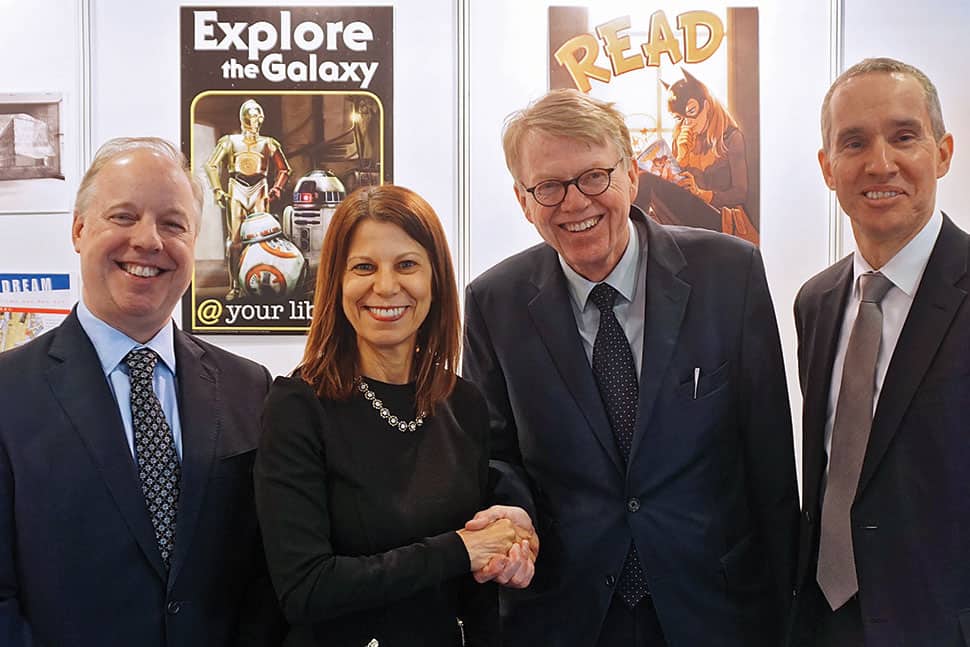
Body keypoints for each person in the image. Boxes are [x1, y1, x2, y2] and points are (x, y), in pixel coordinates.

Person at [462, 88, 798, 646]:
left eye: (594, 176)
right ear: (523, 200)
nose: (574, 202)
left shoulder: (730, 274)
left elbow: (767, 454)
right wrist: (512, 516)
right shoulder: (494, 301)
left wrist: (786, 613)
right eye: (548, 186)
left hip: (713, 607)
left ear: (632, 175)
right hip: (568, 610)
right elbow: (496, 455)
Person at [0, 137, 284, 646]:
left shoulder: (250, 388)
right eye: (124, 216)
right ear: (79, 229)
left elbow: (264, 575)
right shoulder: (7, 394)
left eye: (173, 224)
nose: (149, 241)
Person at [254, 184, 534, 647]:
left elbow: (473, 583)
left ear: (434, 279)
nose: (386, 286)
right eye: (364, 267)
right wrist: (460, 550)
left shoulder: (463, 403)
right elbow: (305, 588)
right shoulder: (297, 406)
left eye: (406, 265)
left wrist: (508, 555)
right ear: (337, 283)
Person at [790, 57, 969, 646]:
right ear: (827, 167)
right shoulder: (815, 303)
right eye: (854, 143)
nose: (880, 163)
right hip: (825, 621)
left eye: (903, 136)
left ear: (942, 152)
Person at [204, 98, 292, 300]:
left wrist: (277, 189)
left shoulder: (268, 143)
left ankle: (260, 282)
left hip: (260, 187)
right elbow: (211, 165)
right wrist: (217, 189)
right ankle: (235, 285)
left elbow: (284, 169)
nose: (256, 120)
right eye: (252, 115)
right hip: (237, 188)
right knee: (235, 241)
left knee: (262, 240)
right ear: (244, 118)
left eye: (258, 116)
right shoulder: (230, 141)